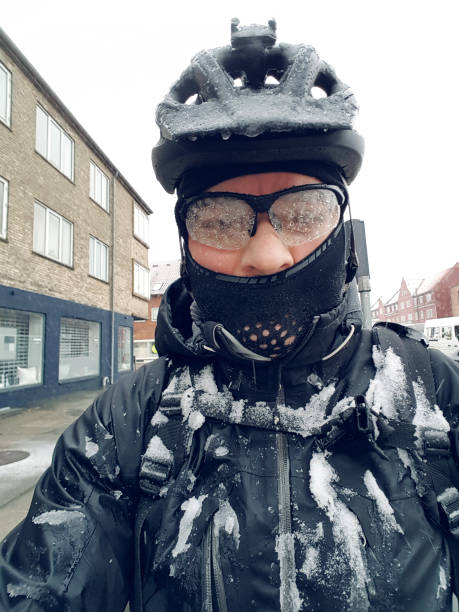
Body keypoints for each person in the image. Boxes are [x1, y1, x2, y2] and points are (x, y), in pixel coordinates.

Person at [1, 18, 459, 612]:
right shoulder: (129, 424)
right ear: (185, 246)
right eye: (219, 219)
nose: (267, 256)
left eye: (303, 212)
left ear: (343, 233)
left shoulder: (431, 397)